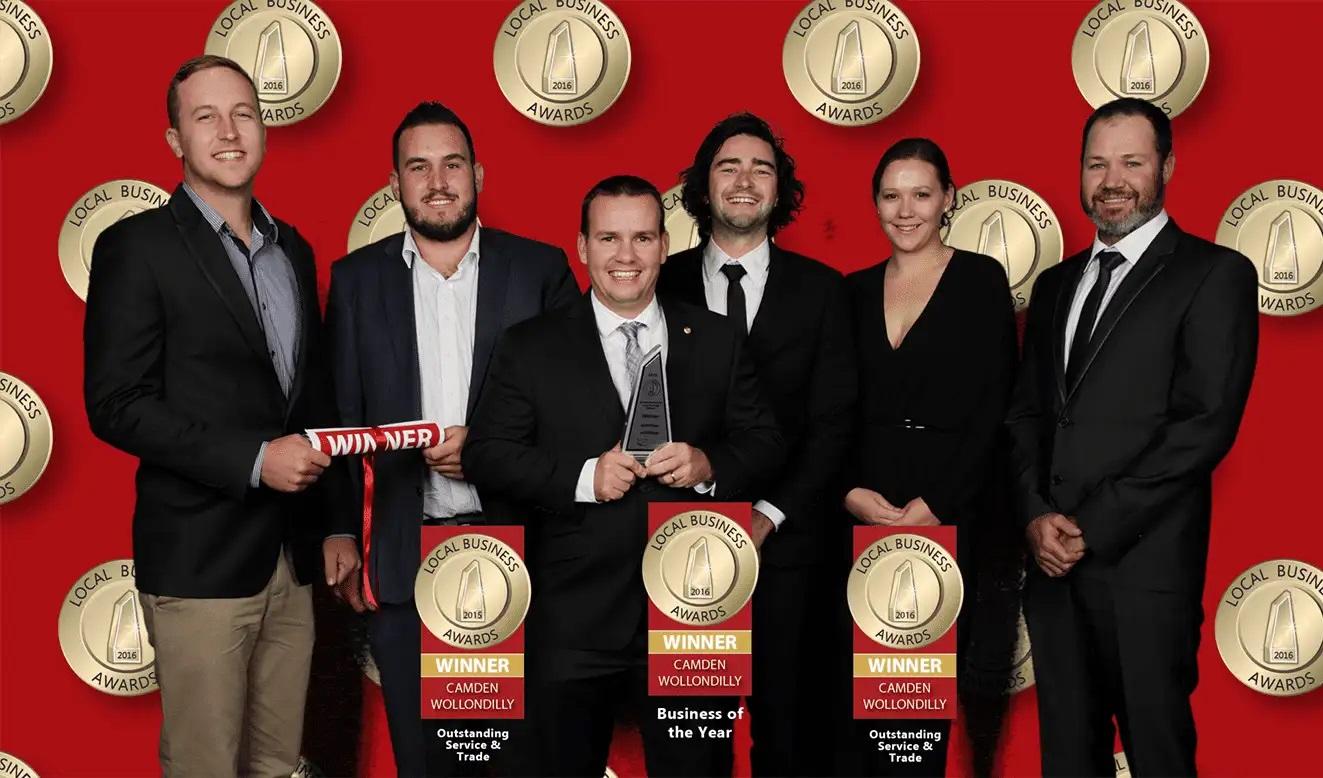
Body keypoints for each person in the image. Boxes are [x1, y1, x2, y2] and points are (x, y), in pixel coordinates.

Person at [84, 55, 351, 777]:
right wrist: (255, 460)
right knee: (204, 766)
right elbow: (116, 405)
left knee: (277, 764)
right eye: (206, 117)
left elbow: (313, 403)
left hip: (291, 560)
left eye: (244, 114)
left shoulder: (293, 249)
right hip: (199, 561)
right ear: (175, 139)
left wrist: (335, 523)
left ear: (264, 129)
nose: (229, 132)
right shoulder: (135, 246)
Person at [464, 175, 785, 777]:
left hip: (696, 612)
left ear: (665, 245)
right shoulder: (531, 345)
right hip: (570, 616)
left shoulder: (716, 338)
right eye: (609, 238)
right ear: (582, 247)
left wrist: (707, 464)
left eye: (642, 237)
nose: (626, 255)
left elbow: (765, 442)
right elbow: (487, 455)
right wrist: (584, 477)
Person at [324, 101, 579, 776]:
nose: (437, 182)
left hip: (516, 551)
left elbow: (576, 410)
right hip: (403, 555)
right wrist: (340, 529)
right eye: (419, 167)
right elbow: (342, 411)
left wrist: (489, 448)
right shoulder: (355, 280)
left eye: (452, 164)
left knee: (516, 763)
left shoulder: (540, 270)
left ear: (478, 175)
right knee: (426, 763)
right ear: (394, 184)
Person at [1007, 98, 1258, 777]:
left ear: (1166, 168)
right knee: (1067, 759)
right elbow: (1026, 415)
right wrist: (1034, 516)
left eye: (1131, 163)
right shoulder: (1054, 284)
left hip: (1146, 574)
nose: (1111, 181)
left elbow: (1202, 425)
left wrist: (1089, 526)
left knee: (1158, 756)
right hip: (1052, 573)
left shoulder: (1214, 274)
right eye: (1096, 164)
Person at [656, 112, 855, 776]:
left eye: (761, 168)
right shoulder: (658, 282)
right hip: (681, 548)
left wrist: (768, 516)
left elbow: (833, 425)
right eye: (728, 166)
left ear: (779, 189)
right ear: (702, 185)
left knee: (790, 742)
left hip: (790, 549)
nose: (744, 180)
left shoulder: (823, 291)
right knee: (693, 746)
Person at [842, 138, 1018, 776]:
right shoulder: (852, 291)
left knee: (917, 717)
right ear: (875, 204)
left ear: (949, 198)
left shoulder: (980, 279)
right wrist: (848, 492)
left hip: (952, 507)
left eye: (921, 194)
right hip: (866, 507)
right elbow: (832, 409)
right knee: (868, 710)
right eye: (891, 196)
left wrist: (938, 504)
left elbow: (997, 404)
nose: (905, 210)